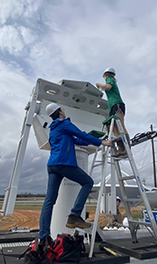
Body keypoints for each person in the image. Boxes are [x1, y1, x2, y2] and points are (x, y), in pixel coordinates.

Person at [38, 103, 112, 248]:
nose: (64, 111)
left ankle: (43, 236)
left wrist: (91, 136)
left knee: (49, 201)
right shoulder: (64, 123)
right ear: (59, 112)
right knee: (87, 182)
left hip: (52, 166)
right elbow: (80, 133)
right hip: (64, 163)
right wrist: (102, 142)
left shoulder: (53, 129)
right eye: (63, 109)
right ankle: (75, 215)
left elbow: (77, 140)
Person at [96, 67, 130, 156]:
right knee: (114, 129)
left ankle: (126, 147)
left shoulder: (110, 79)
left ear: (106, 75)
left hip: (117, 104)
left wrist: (99, 85)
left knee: (121, 126)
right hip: (112, 107)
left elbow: (108, 86)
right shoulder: (110, 80)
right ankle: (121, 148)